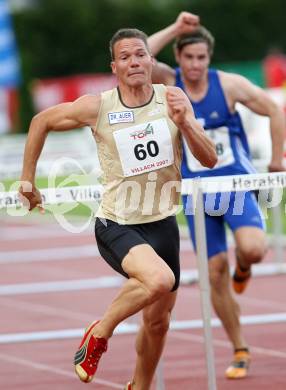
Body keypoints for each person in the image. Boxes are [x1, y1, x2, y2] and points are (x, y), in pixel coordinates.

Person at [18, 27, 217, 389]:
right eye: (125, 57)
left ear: (151, 60)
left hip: (162, 223)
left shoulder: (172, 98)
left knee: (158, 324)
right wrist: (28, 181)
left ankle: (139, 386)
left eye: (140, 54)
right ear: (115, 66)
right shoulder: (100, 106)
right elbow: (40, 121)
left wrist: (185, 122)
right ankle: (99, 332)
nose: (134, 62)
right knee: (159, 280)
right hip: (117, 223)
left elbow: (209, 158)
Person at [148, 12, 286, 379]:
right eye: (189, 57)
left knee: (255, 249)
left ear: (209, 58)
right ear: (178, 57)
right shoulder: (167, 82)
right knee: (213, 272)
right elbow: (138, 54)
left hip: (236, 186)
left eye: (201, 58)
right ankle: (240, 347)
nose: (195, 65)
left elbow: (273, 108)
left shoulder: (228, 85)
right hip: (197, 194)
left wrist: (276, 159)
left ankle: (244, 266)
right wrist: (177, 28)